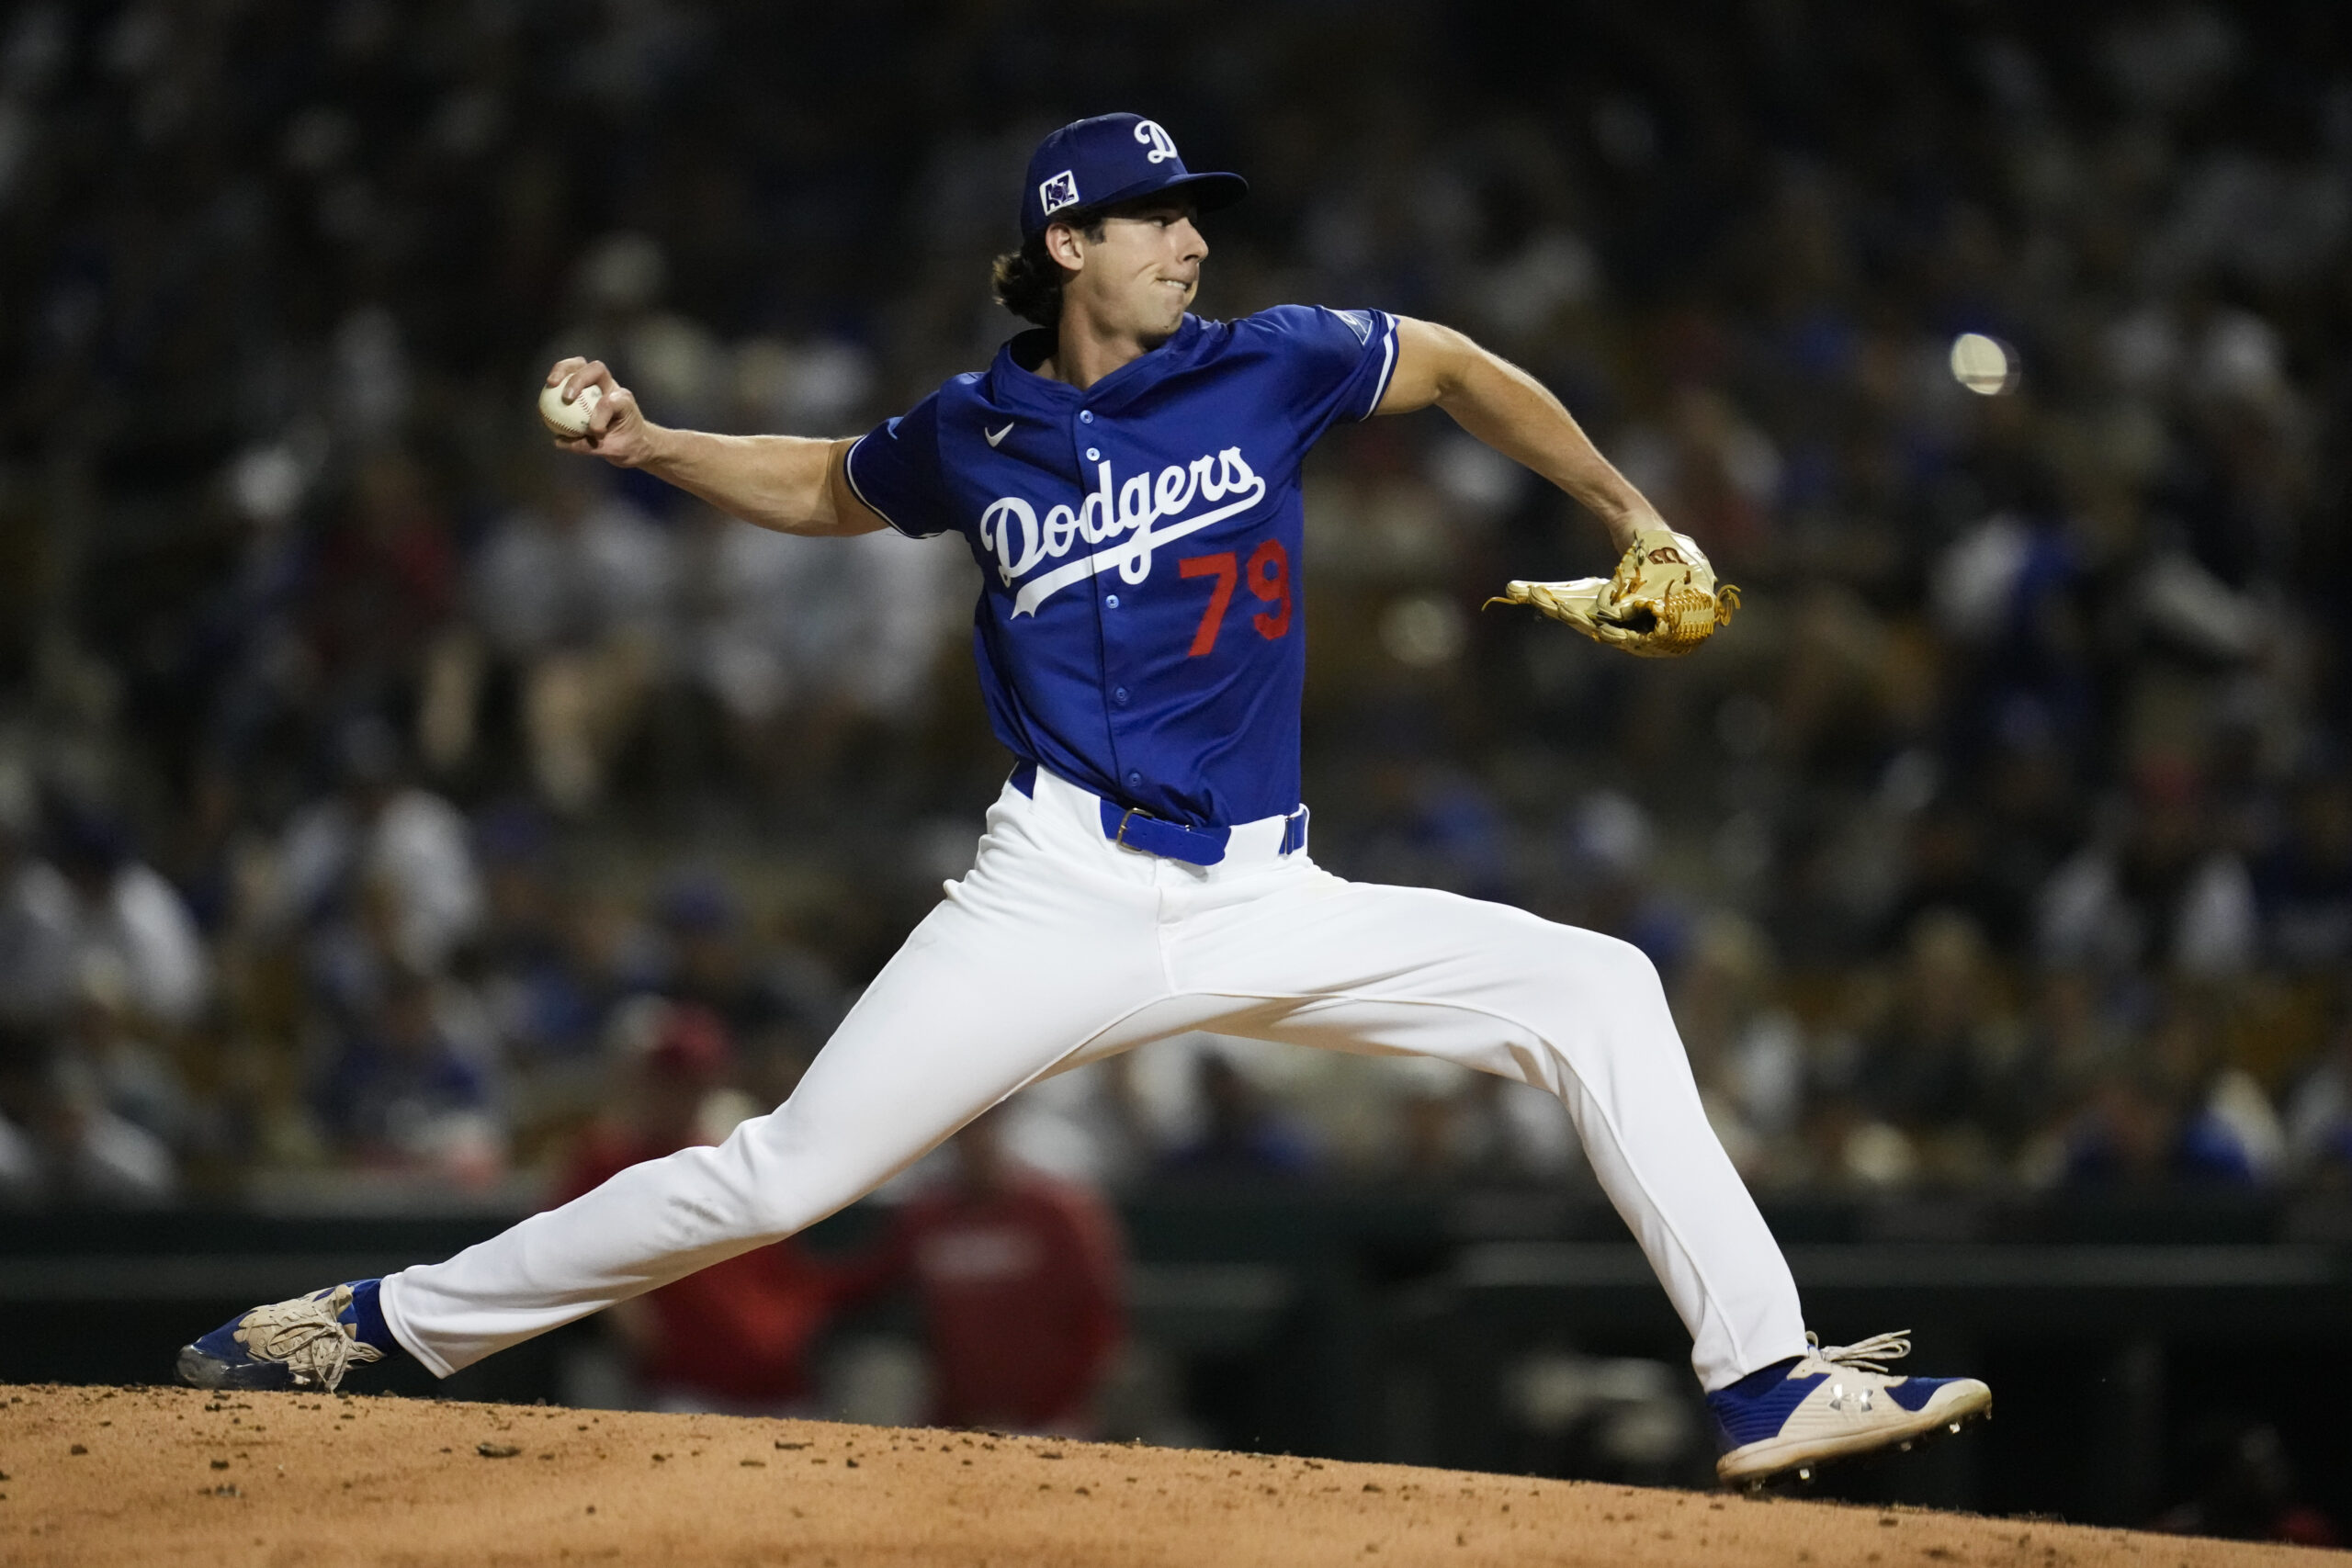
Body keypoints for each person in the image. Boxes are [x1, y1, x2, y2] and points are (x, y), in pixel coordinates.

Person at [179, 113, 1987, 1488]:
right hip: (1056, 889)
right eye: (1157, 217)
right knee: (776, 1173)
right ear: (1066, 238)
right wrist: (654, 448)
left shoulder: (1262, 362)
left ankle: (1765, 1374)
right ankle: (366, 1322)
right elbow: (826, 480)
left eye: (1195, 215)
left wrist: (1626, 513)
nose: (1191, 241)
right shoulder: (975, 428)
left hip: (1273, 890)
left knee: (1600, 987)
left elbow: (1446, 364)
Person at [838, 1108, 1124, 1434]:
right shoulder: (926, 1218)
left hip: (1050, 1422)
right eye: (964, 1132)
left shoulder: (1058, 1213)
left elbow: (1097, 1317)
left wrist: (1056, 1403)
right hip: (958, 1424)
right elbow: (865, 1281)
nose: (975, 1141)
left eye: (985, 1126)